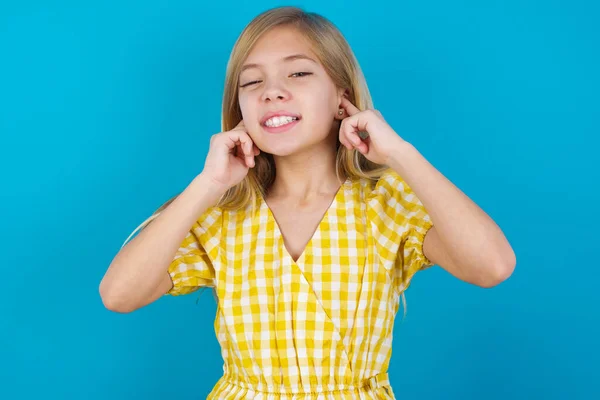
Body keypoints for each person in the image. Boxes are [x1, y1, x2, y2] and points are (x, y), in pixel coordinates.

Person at [99, 6, 516, 399]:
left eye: (298, 73)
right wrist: (207, 184)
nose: (272, 93)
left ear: (342, 98)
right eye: (251, 82)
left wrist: (399, 154)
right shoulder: (221, 212)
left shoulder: (385, 203)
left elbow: (492, 267)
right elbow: (118, 295)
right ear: (238, 108)